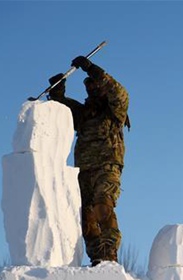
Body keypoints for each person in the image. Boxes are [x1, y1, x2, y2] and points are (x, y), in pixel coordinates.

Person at [47, 55, 130, 266]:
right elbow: (63, 111)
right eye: (89, 86)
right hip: (83, 171)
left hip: (107, 166)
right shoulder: (85, 113)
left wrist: (92, 69)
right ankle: (97, 258)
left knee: (103, 205)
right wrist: (57, 92)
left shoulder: (114, 110)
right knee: (86, 217)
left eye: (95, 85)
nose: (92, 89)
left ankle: (110, 253)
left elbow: (118, 92)